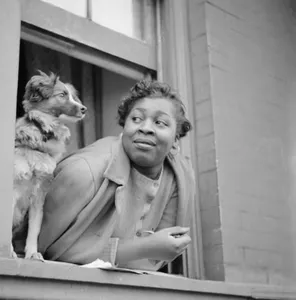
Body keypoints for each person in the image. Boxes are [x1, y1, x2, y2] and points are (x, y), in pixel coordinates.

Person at [37, 79, 195, 271]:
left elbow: (152, 261)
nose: (145, 128)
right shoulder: (82, 172)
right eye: (136, 119)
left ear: (176, 138)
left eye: (160, 123)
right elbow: (45, 252)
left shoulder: (179, 178)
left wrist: (143, 251)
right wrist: (142, 248)